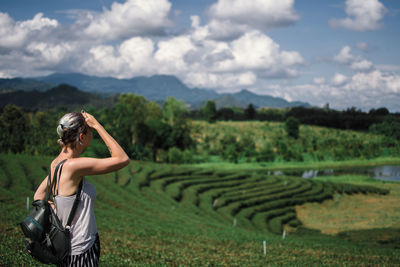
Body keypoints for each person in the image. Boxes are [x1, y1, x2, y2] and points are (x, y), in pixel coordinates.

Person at [33, 111, 130, 266]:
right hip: (81, 250)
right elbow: (122, 159)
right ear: (82, 137)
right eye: (90, 131)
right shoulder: (73, 166)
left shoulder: (57, 163)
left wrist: (59, 211)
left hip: (66, 248)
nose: (92, 135)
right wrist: (98, 126)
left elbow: (39, 195)